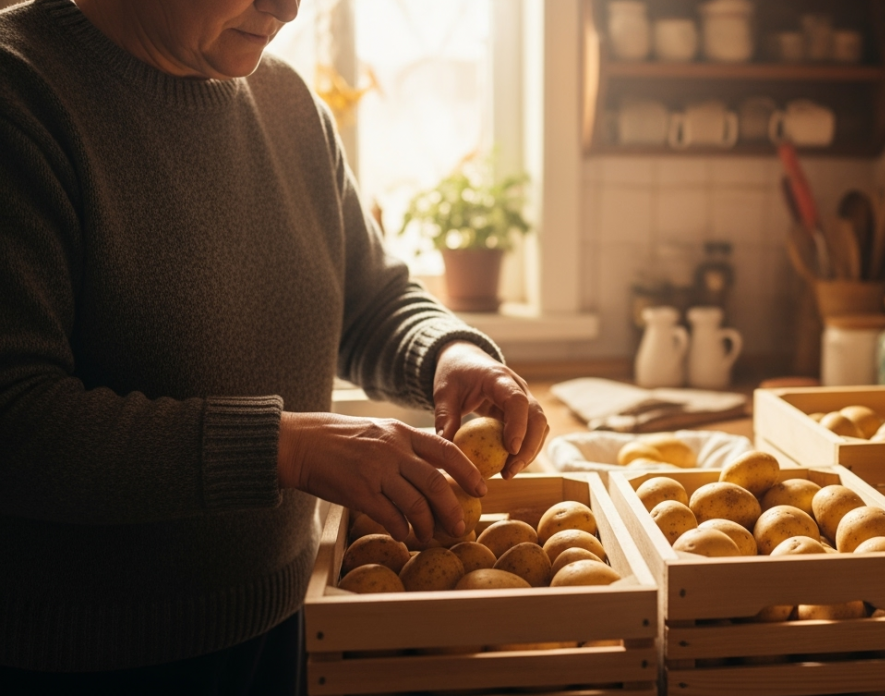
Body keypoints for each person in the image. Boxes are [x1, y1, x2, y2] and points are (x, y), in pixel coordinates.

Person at [0, 0, 549, 691]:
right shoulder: (19, 94)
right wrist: (286, 448)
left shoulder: (286, 101)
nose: (287, 8)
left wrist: (448, 354)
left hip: (276, 625)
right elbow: (15, 419)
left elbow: (369, 299)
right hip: (74, 660)